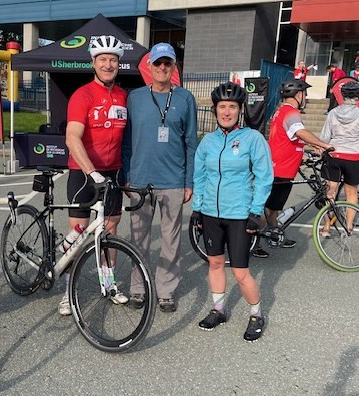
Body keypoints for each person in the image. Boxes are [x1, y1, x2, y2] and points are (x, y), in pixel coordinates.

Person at [192, 82, 273, 341]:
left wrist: (255, 211)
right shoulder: (208, 141)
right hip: (210, 214)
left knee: (240, 271)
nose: (226, 111)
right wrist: (197, 209)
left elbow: (264, 177)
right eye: (222, 107)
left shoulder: (253, 138)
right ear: (215, 110)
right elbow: (200, 176)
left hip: (239, 214)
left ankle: (256, 314)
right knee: (215, 263)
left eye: (232, 107)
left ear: (240, 110)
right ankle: (219, 309)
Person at [122, 42, 197, 313]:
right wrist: (128, 175)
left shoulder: (185, 99)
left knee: (171, 241)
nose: (163, 68)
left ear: (174, 67)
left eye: (168, 63)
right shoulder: (135, 97)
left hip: (174, 181)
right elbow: (126, 141)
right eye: (158, 63)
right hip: (140, 181)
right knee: (139, 239)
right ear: (150, 67)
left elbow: (191, 142)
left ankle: (166, 291)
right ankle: (138, 288)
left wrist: (189, 181)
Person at [61, 35, 128, 316]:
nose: (108, 64)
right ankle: (67, 292)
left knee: (110, 230)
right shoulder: (83, 95)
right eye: (103, 59)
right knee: (77, 233)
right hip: (83, 173)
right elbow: (71, 137)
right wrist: (91, 171)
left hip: (112, 173)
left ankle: (109, 284)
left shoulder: (123, 95)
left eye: (113, 59)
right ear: (93, 62)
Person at [252, 79, 333, 258]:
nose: (305, 98)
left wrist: (310, 149)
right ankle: (252, 241)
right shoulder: (290, 112)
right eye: (304, 94)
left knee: (274, 207)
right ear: (298, 94)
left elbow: (290, 139)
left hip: (282, 166)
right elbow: (298, 132)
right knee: (269, 207)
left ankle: (275, 234)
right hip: (280, 168)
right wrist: (323, 144)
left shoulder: (282, 111)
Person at [319, 81, 359, 235]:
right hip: (355, 157)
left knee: (330, 192)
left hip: (335, 155)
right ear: (358, 96)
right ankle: (348, 227)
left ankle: (327, 228)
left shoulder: (333, 113)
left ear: (342, 95)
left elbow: (325, 137)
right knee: (351, 194)